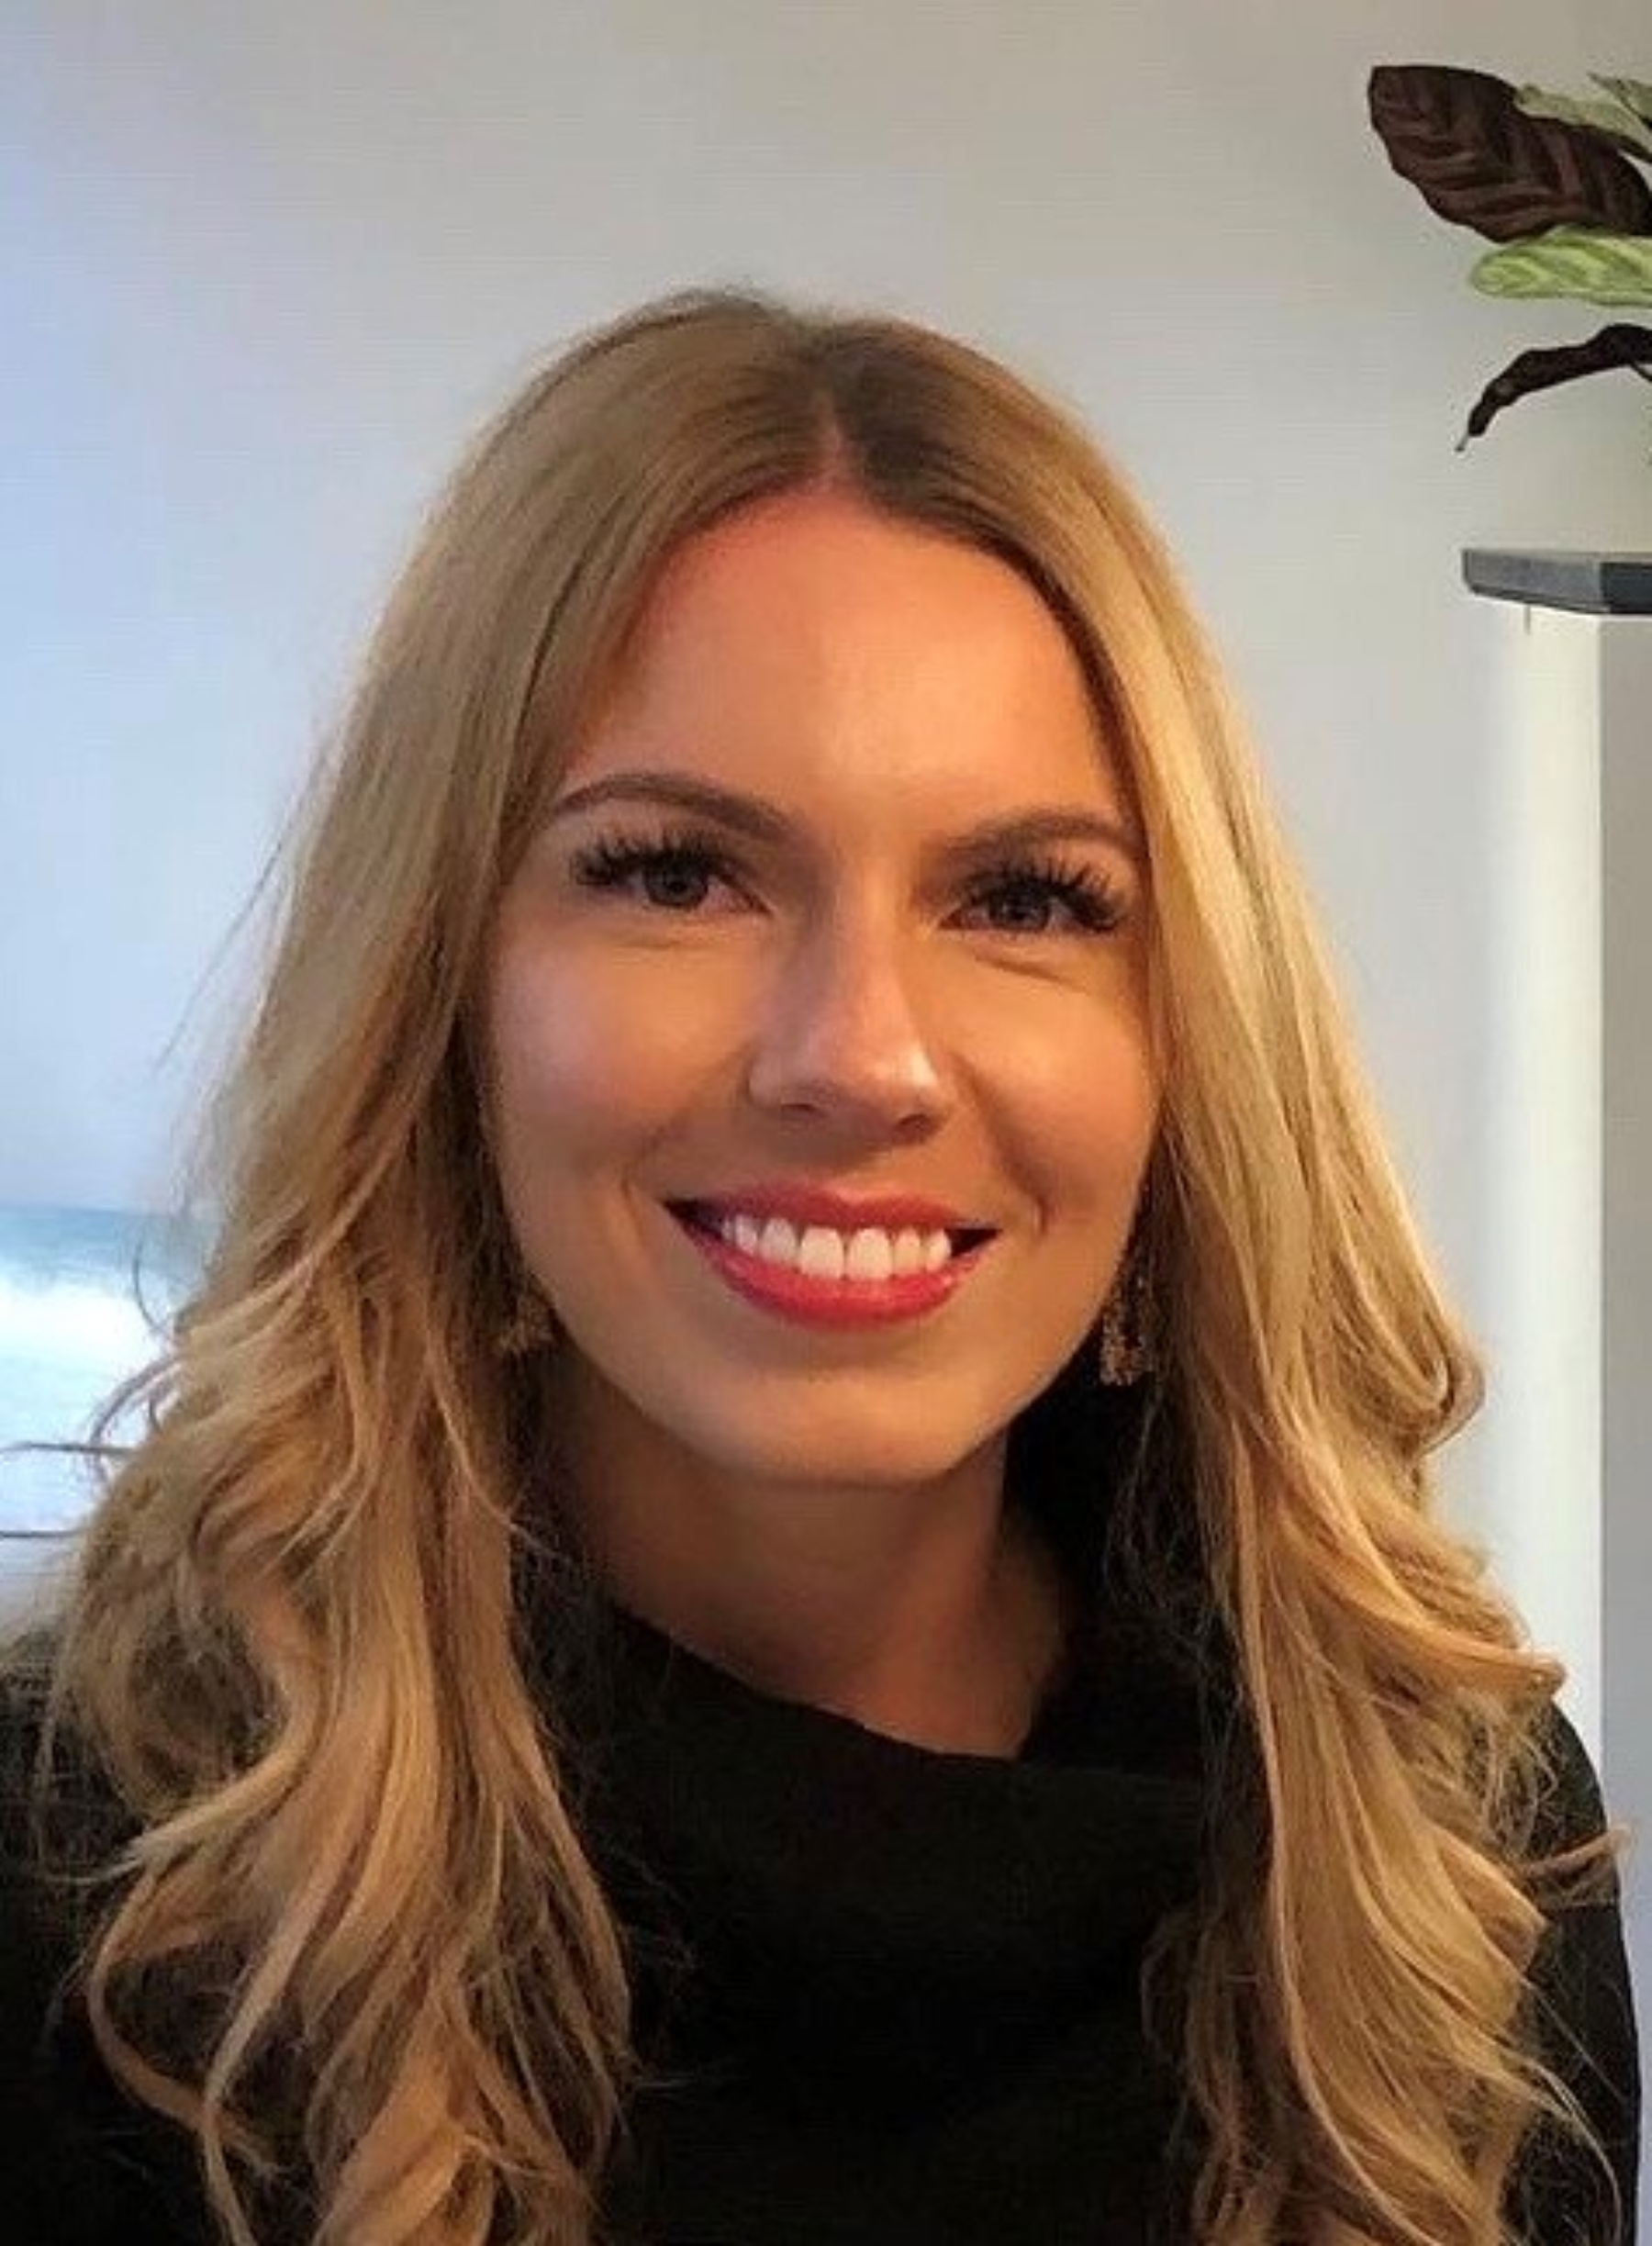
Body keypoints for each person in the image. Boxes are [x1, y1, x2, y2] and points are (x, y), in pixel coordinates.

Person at [0, 286, 1639, 2246]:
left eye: (1024, 898)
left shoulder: (1448, 1844)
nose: (861, 1059)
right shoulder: (88, 1889)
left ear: (1187, 1043)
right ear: (441, 994)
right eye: (674, 873)